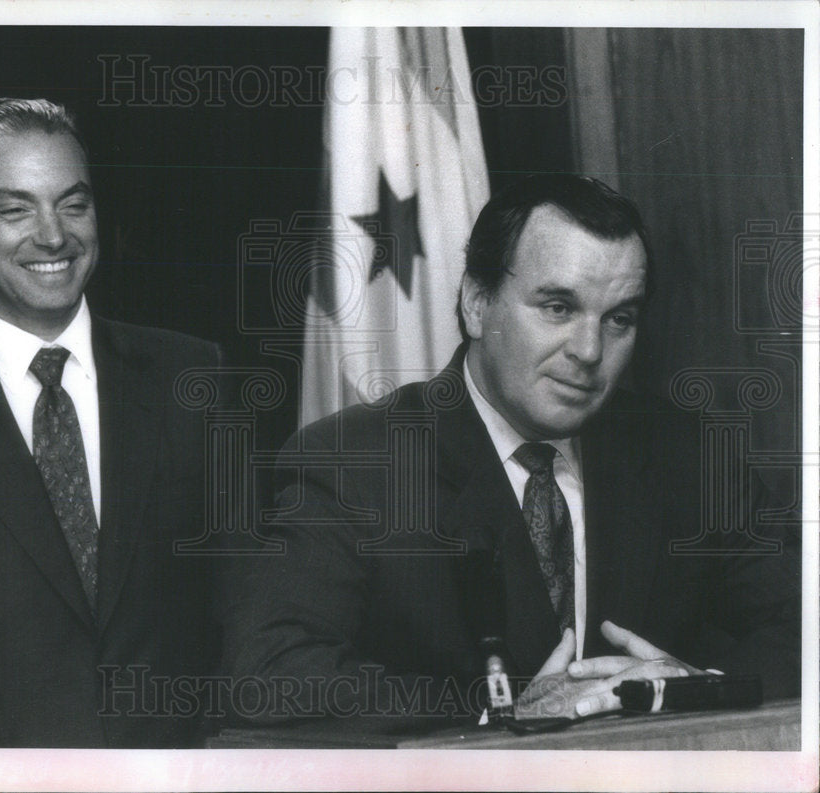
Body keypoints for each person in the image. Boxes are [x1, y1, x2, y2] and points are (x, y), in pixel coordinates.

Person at [222, 174, 800, 725]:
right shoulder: (352, 464)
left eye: (618, 319)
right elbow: (271, 673)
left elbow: (804, 625)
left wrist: (701, 689)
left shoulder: (688, 454)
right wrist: (498, 715)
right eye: (558, 308)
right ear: (477, 303)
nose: (590, 350)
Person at [0, 98, 221, 747]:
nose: (54, 235)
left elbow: (243, 614)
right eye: (15, 208)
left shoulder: (190, 378)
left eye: (73, 203)